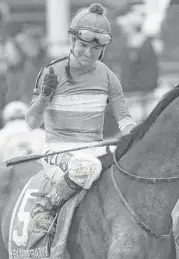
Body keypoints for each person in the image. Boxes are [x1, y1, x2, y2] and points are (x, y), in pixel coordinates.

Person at [25, 3, 136, 236]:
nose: (88, 53)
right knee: (87, 167)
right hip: (56, 150)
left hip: (95, 148)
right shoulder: (51, 72)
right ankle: (46, 208)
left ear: (103, 49)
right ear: (73, 42)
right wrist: (44, 98)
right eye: (83, 45)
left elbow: (125, 122)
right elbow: (32, 123)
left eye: (95, 49)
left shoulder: (108, 76)